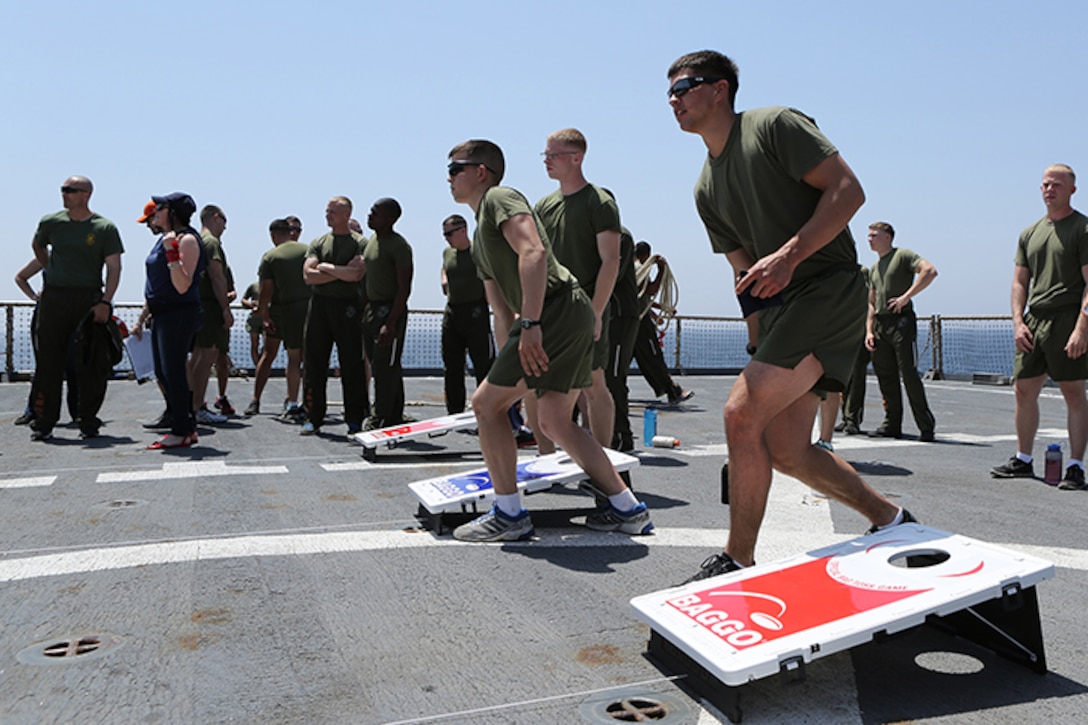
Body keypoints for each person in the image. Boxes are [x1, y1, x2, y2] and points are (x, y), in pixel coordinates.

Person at [667, 50, 910, 581]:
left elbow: (849, 191)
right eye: (670, 92)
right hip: (782, 310)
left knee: (740, 414)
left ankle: (736, 560)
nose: (674, 99)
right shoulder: (704, 188)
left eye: (685, 86)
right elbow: (746, 276)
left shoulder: (774, 125)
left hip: (828, 288)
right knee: (789, 449)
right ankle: (891, 518)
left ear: (721, 89)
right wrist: (758, 340)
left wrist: (791, 254)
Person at [445, 139, 653, 542]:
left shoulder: (500, 198)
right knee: (554, 419)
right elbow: (501, 310)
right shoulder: (480, 235)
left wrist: (534, 324)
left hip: (554, 309)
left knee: (485, 406)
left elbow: (535, 253)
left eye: (456, 168)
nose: (449, 176)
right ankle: (628, 508)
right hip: (558, 313)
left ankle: (508, 513)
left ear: (480, 172)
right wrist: (515, 343)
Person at [991, 164, 1088, 491]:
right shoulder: (1029, 233)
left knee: (1073, 393)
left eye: (1057, 185)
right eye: (1046, 184)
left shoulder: (1083, 229)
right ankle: (1023, 458)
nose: (1050, 189)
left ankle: (1075, 466)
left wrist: (1081, 328)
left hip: (1068, 317)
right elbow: (1020, 282)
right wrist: (1018, 322)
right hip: (1035, 318)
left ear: (1072, 190)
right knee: (1023, 389)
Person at [534, 128, 619, 449]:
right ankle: (547, 458)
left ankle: (606, 461)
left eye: (553, 155)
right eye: (545, 155)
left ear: (576, 157)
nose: (547, 161)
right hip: (551, 309)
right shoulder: (543, 206)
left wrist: (595, 313)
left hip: (585, 309)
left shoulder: (599, 203)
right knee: (542, 384)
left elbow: (610, 261)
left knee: (594, 384)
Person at [28, 176, 123, 441]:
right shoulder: (51, 222)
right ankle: (44, 421)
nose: (64, 194)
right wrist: (52, 269)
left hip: (89, 299)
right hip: (55, 298)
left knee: (90, 361)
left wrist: (105, 301)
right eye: (62, 190)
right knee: (49, 361)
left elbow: (114, 267)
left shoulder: (104, 227)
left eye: (70, 190)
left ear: (86, 194)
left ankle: (87, 419)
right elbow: (37, 245)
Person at [134, 193, 207, 449]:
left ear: (173, 212)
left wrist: (172, 253)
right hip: (162, 314)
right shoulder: (166, 238)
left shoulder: (186, 240)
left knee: (174, 370)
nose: (156, 211)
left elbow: (182, 284)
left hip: (179, 313)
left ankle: (182, 429)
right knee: (165, 371)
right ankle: (184, 426)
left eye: (161, 207)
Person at [301, 196, 368, 436]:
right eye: (327, 211)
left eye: (333, 212)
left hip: (348, 306)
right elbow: (308, 276)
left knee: (352, 365)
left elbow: (356, 275)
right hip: (319, 305)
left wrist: (326, 267)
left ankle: (354, 419)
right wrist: (341, 271)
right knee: (314, 363)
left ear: (347, 214)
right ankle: (313, 416)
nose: (328, 215)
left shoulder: (361, 243)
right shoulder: (318, 242)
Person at [865, 221, 938, 441]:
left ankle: (925, 426)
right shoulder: (874, 269)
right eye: (868, 236)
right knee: (885, 376)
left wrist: (907, 296)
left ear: (887, 237)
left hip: (901, 322)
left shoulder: (903, 255)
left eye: (874, 235)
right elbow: (871, 302)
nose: (869, 239)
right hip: (880, 325)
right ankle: (892, 424)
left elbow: (930, 271)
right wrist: (869, 331)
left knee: (909, 373)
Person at [249, 218, 310, 419]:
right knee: (300, 357)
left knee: (269, 355)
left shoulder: (270, 256)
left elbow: (265, 291)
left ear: (273, 234)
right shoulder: (308, 250)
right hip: (305, 309)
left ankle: (256, 400)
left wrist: (264, 315)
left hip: (279, 311)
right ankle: (300, 401)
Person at [362, 198, 414, 429]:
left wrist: (390, 323)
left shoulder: (399, 246)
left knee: (384, 368)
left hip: (390, 312)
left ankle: (379, 417)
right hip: (372, 311)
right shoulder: (372, 242)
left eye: (376, 213)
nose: (370, 215)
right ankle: (394, 414)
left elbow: (404, 288)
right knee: (384, 365)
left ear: (390, 218)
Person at [440, 214, 494, 414]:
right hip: (453, 312)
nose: (446, 238)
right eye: (444, 234)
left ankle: (487, 409)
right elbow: (444, 266)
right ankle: (454, 411)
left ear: (463, 230)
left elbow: (490, 277)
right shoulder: (447, 252)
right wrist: (444, 280)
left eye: (449, 233)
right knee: (452, 365)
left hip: (475, 312)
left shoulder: (478, 252)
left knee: (483, 364)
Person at [187, 205, 234, 424]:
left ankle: (192, 405)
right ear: (216, 218)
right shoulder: (212, 243)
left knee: (197, 357)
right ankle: (197, 407)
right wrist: (225, 308)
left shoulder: (196, 239)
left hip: (196, 306)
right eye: (224, 220)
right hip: (209, 306)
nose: (225, 226)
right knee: (206, 359)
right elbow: (217, 276)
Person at [632, 241, 693, 406]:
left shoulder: (627, 270)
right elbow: (650, 290)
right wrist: (661, 270)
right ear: (646, 256)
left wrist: (660, 309)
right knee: (653, 356)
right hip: (639, 324)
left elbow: (641, 298)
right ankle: (673, 390)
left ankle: (613, 392)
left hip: (627, 322)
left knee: (625, 360)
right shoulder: (639, 269)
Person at [606, 224, 641, 451]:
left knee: (614, 376)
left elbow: (612, 273)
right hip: (606, 315)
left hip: (621, 315)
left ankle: (621, 436)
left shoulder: (621, 236)